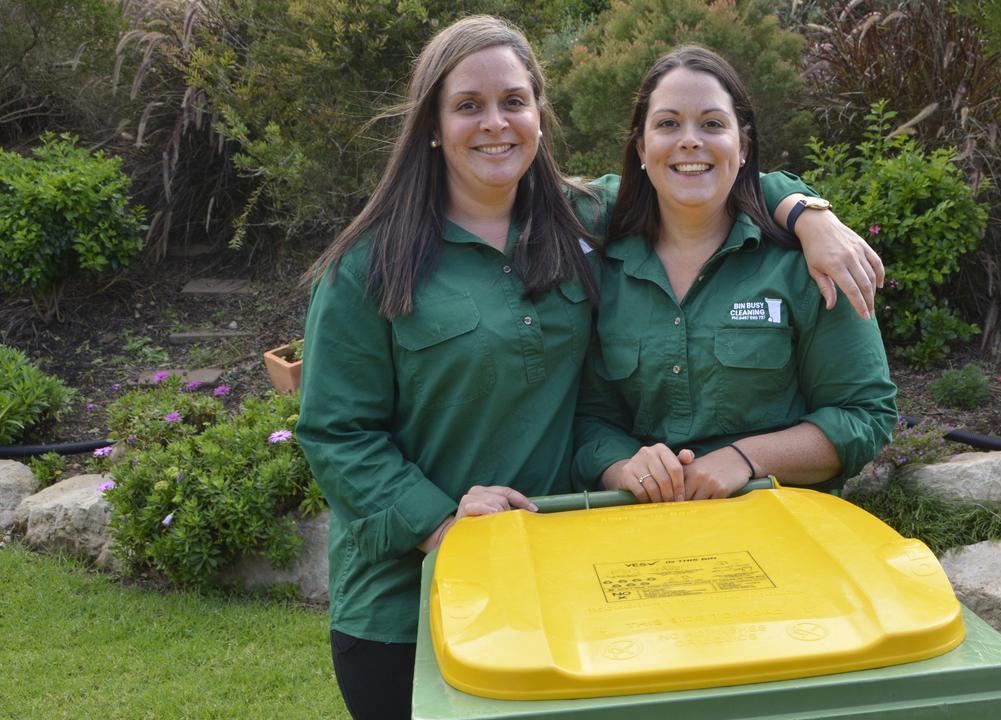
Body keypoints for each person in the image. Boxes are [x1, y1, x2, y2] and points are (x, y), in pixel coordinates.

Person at [295, 16, 881, 720]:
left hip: (559, 584)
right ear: (431, 124)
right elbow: (336, 433)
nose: (495, 124)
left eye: (515, 102)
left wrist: (809, 212)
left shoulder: (583, 218)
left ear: (540, 116)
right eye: (468, 105)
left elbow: (700, 170)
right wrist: (443, 523)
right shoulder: (369, 266)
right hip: (406, 602)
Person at [572, 46, 898, 503]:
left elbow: (865, 416)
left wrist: (744, 458)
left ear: (742, 147)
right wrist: (623, 466)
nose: (690, 140)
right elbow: (588, 417)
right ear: (642, 149)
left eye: (712, 123)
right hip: (641, 528)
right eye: (668, 124)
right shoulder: (602, 268)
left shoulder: (808, 263)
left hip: (781, 527)